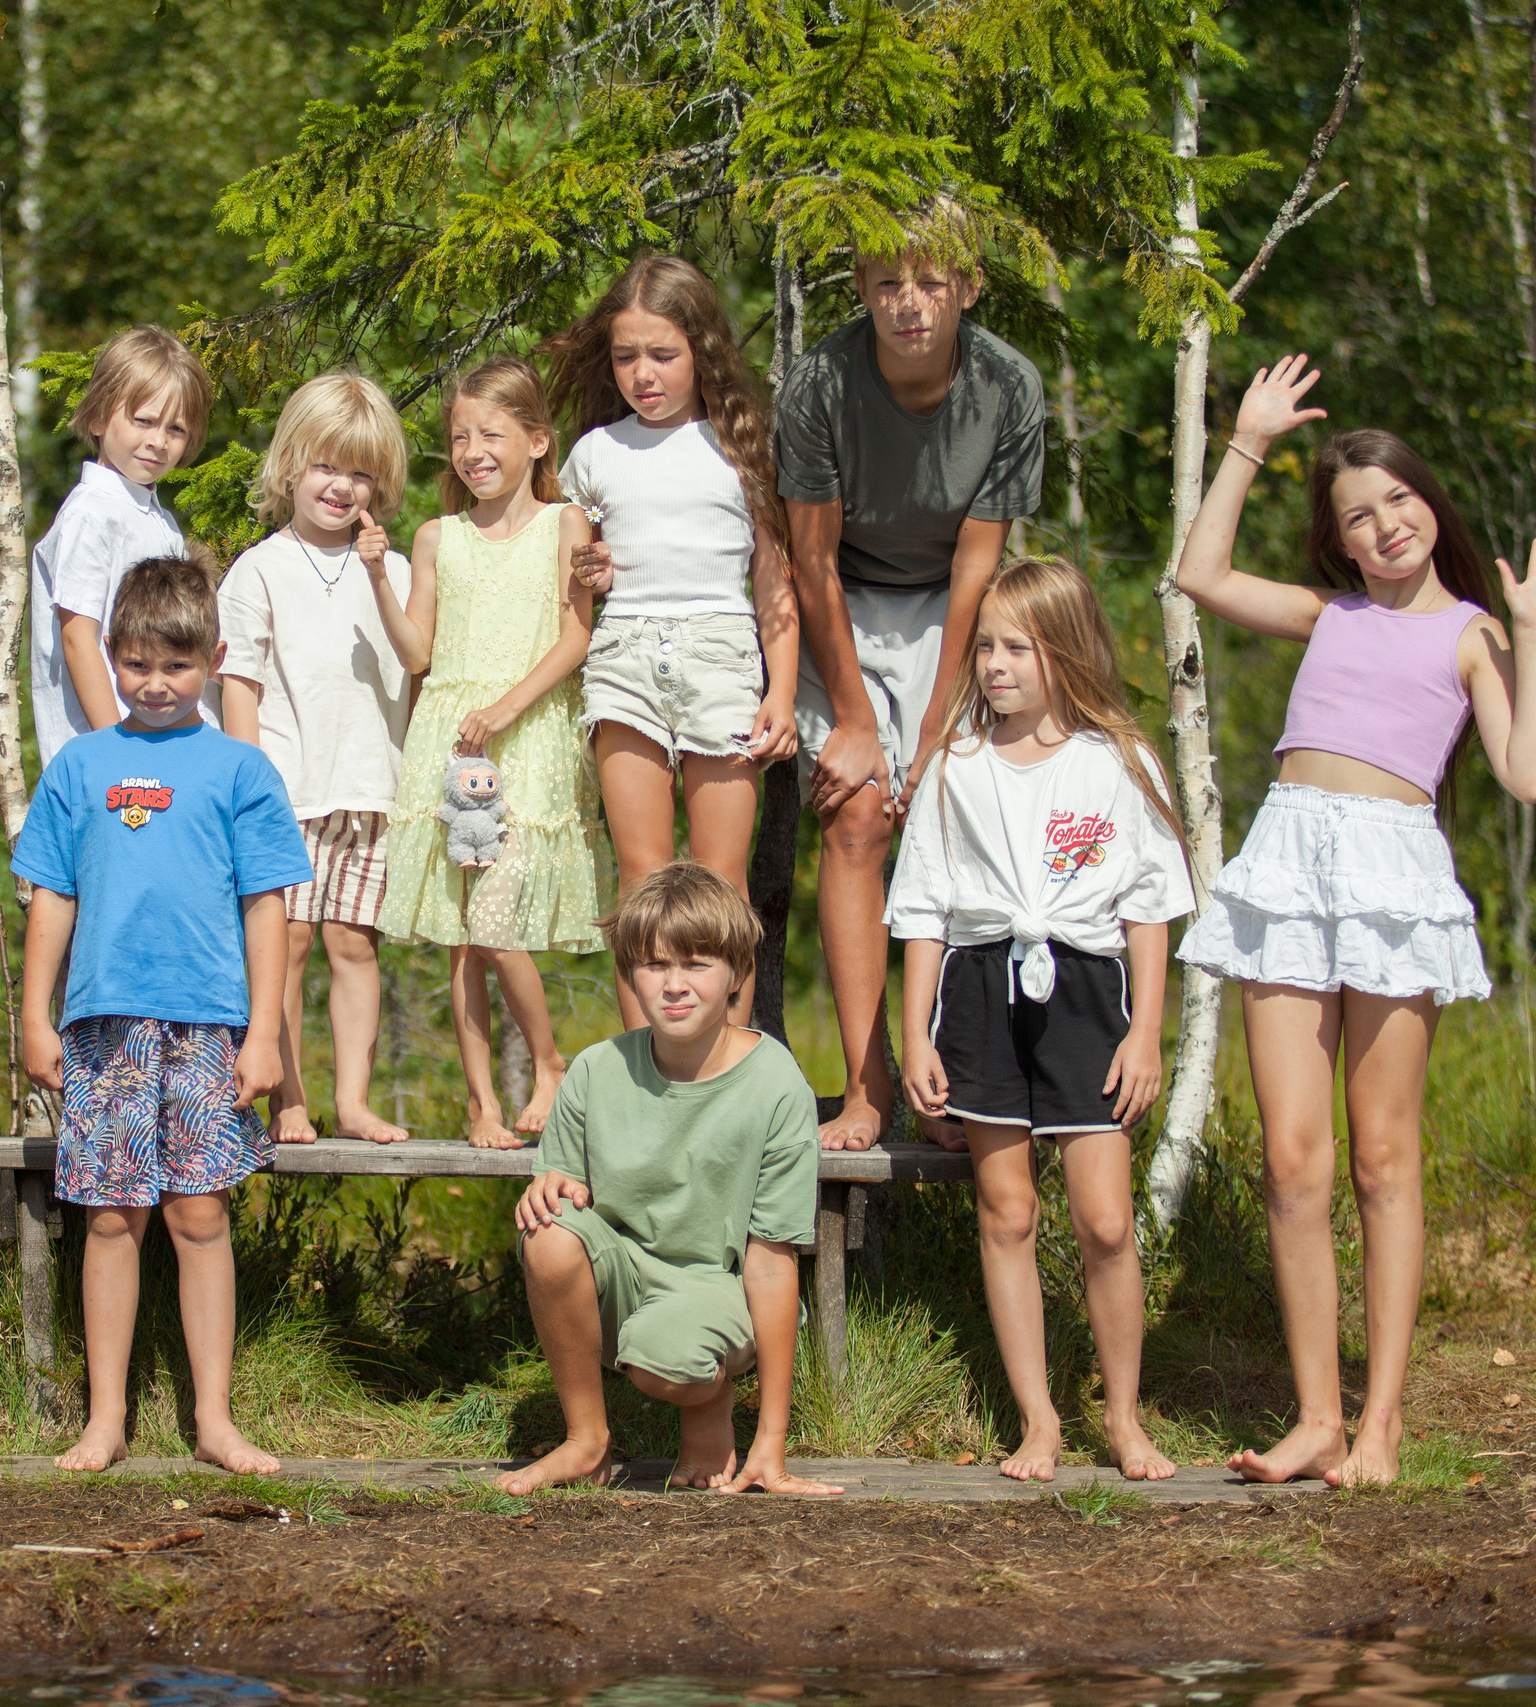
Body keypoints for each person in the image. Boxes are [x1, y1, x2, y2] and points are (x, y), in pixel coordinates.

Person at [1171, 354, 1536, 1487]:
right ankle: (1316, 1422)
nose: (1387, 525)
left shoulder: (1472, 634)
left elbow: (1528, 773)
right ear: (1340, 541)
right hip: (1291, 861)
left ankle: (1381, 1425)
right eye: (1359, 514)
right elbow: (1198, 572)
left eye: (1399, 501)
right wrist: (1247, 440)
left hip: (1394, 878)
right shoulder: (1327, 614)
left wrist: (1533, 637)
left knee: (1382, 1159)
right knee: (1294, 1165)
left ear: (1428, 508)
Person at [887, 557, 1196, 1484]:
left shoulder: (1119, 762)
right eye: (985, 646)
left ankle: (1125, 1414)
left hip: (1087, 992)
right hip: (980, 992)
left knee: (1104, 1220)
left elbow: (1151, 903)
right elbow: (924, 911)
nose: (995, 665)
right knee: (1007, 1208)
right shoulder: (957, 767)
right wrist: (916, 1034)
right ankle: (1038, 1419)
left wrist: (1145, 1031)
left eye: (1017, 647)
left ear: (1064, 650)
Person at [15, 555, 312, 1476]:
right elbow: (52, 895)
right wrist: (35, 1015)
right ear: (107, 656)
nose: (153, 683)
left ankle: (214, 1421)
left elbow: (270, 906)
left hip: (207, 1027)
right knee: (110, 1219)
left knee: (199, 1215)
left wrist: (263, 1032)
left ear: (214, 659)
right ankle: (106, 1419)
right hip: (105, 1028)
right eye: (135, 663)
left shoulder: (240, 769)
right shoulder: (81, 765)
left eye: (176, 667)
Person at [775, 211, 1045, 1150]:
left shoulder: (1008, 386)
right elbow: (809, 557)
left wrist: (935, 728)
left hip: (950, 609)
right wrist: (854, 716)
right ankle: (867, 1083)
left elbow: (978, 566)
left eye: (930, 283)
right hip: (839, 601)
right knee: (855, 814)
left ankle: (956, 1074)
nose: (909, 305)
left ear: (967, 287)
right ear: (861, 289)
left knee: (949, 814)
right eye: (888, 284)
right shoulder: (820, 384)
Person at [496, 863, 842, 1498]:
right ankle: (586, 1441)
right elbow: (562, 1181)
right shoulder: (598, 1070)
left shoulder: (775, 1083)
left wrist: (773, 1442)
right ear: (630, 974)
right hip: (624, 1273)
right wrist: (546, 1185)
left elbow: (771, 1259)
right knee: (546, 1231)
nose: (675, 986)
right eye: (655, 966)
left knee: (667, 1360)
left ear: (737, 975)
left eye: (698, 964)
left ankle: (710, 1407)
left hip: (720, 1285)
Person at [543, 256, 802, 1027]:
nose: (642, 374)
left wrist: (781, 692)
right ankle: (642, 1061)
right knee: (641, 873)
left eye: (662, 354)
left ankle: (728, 1060)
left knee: (722, 880)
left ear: (702, 350)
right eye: (627, 356)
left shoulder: (740, 445)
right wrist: (586, 570)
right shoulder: (595, 453)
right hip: (623, 657)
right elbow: (573, 573)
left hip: (722, 656)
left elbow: (774, 583)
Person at [378, 357, 613, 1148]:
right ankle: (480, 1103)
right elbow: (417, 650)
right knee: (462, 931)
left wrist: (506, 707)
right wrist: (380, 573)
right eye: (459, 437)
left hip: (528, 734)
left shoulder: (565, 524)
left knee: (494, 914)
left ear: (538, 441)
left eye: (492, 434)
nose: (473, 450)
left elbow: (575, 633)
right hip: (453, 741)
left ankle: (548, 1061)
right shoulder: (438, 535)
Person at [219, 374, 417, 1146]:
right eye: (326, 466)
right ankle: (288, 1097)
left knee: (352, 944)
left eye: (360, 472)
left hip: (372, 787)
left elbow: (420, 666)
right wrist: (247, 786)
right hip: (284, 792)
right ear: (291, 466)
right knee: (289, 944)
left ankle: (355, 1100)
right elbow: (240, 684)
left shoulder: (395, 572)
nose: (341, 486)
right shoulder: (259, 568)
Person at [30, 325, 215, 760]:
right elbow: (79, 638)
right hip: (113, 755)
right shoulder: (90, 513)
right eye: (144, 421)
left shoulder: (159, 519)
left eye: (176, 429)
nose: (158, 441)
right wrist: (117, 748)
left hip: (160, 748)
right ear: (98, 417)